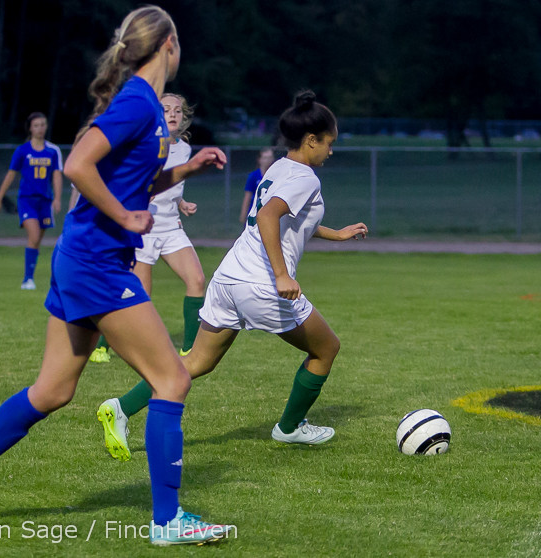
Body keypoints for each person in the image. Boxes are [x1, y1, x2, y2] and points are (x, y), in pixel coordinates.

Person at [0, 5, 234, 546]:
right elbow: (78, 165)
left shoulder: (141, 104)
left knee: (52, 391)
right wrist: (124, 218)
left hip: (83, 259)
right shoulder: (138, 102)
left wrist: (185, 170)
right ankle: (168, 521)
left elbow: (128, 180)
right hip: (95, 264)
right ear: (168, 43)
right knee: (173, 378)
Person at [98, 90, 368, 461]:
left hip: (229, 278)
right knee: (327, 348)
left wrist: (337, 234)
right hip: (260, 284)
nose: (331, 151)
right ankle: (289, 429)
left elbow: (287, 219)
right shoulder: (306, 177)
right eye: (329, 143)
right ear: (311, 140)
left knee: (196, 362)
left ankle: (119, 408)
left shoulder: (278, 168)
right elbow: (270, 217)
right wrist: (281, 276)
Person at [88, 92, 203, 365]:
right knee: (138, 296)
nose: (173, 113)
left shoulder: (185, 149)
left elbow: (170, 184)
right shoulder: (145, 144)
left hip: (171, 228)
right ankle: (102, 344)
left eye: (177, 109)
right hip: (144, 230)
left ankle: (189, 351)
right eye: (166, 109)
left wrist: (181, 202)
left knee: (197, 281)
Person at [0, 112, 63, 290]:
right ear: (30, 128)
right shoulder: (23, 151)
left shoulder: (52, 151)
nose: (40, 128)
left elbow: (56, 175)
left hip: (45, 201)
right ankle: (27, 279)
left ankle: (30, 276)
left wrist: (57, 198)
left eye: (43, 124)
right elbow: (11, 174)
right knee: (33, 235)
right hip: (27, 200)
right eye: (37, 125)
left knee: (37, 241)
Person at [238, 147, 275, 224]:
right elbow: (247, 196)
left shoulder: (276, 176)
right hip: (255, 212)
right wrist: (243, 215)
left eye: (270, 157)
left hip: (270, 212)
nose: (268, 160)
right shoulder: (254, 176)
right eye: (265, 158)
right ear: (259, 160)